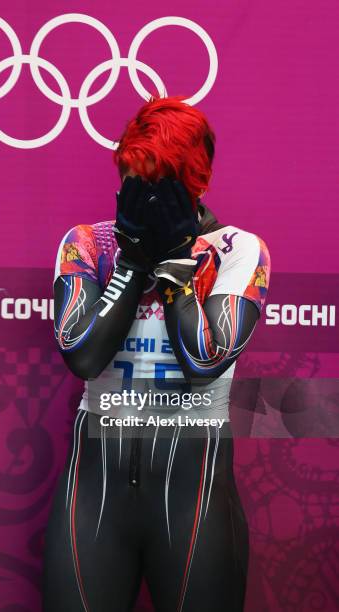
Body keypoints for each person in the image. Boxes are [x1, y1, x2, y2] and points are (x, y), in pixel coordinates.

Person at [42, 96, 271, 612]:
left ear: (195, 181)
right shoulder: (89, 243)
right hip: (94, 491)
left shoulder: (238, 249)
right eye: (131, 178)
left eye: (157, 184)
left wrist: (173, 267)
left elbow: (202, 364)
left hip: (194, 494)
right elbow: (82, 357)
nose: (142, 196)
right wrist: (132, 262)